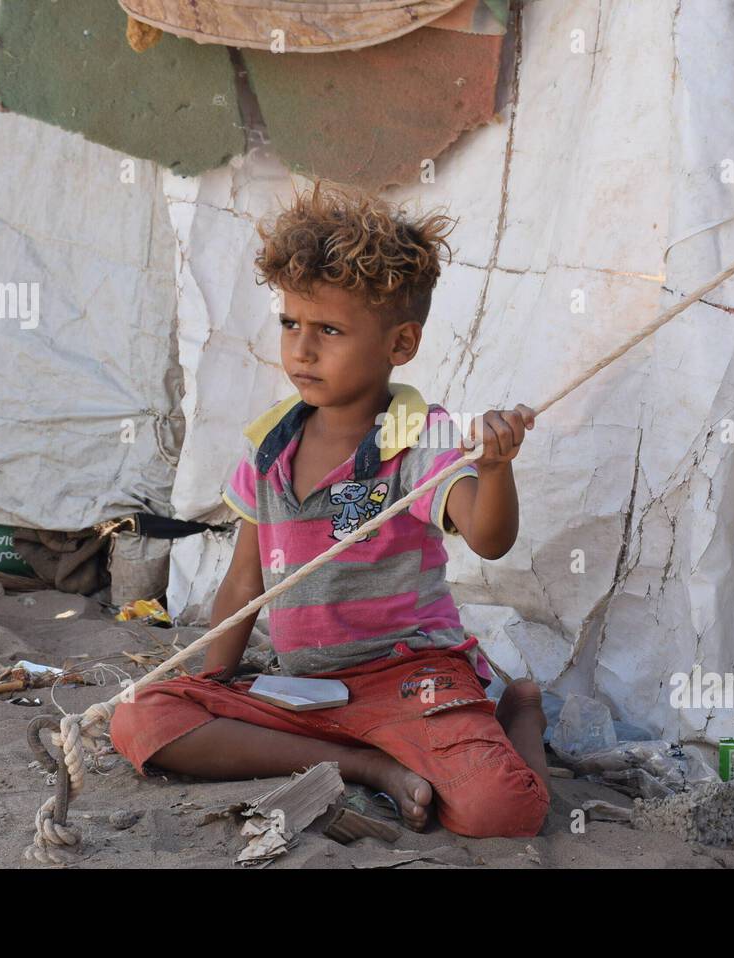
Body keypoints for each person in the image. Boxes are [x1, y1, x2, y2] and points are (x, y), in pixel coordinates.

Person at [110, 181, 550, 838]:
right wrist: (214, 689)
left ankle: (521, 714)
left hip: (409, 682)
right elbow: (243, 582)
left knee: (504, 810)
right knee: (141, 717)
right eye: (291, 323)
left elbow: (490, 540)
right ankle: (367, 765)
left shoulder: (418, 438)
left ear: (400, 345)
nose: (301, 350)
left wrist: (494, 467)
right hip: (310, 695)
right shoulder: (268, 446)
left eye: (330, 330)